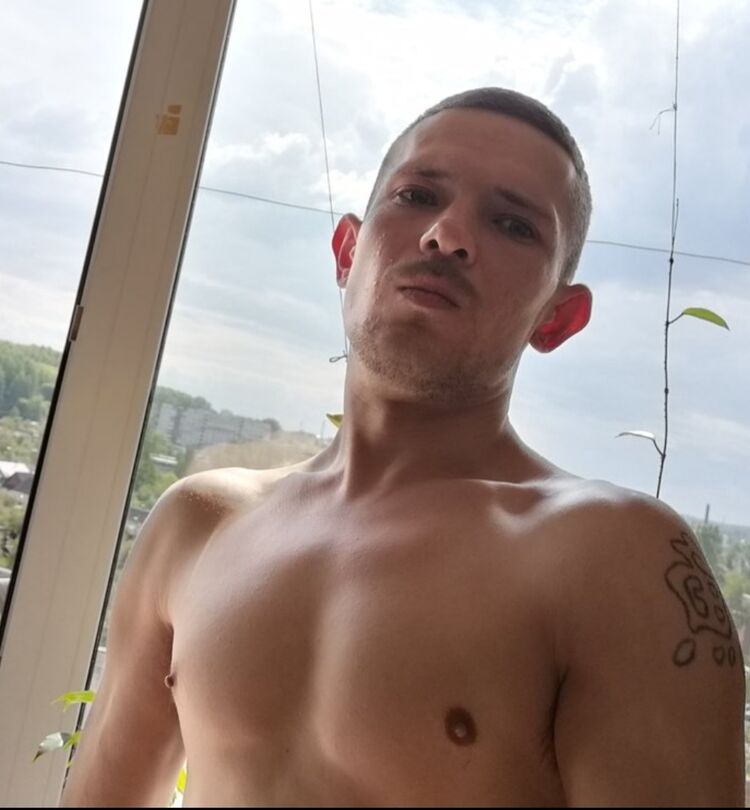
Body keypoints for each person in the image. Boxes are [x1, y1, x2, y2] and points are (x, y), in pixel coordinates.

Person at [60, 87, 745, 807]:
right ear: (347, 252)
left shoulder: (613, 561)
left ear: (558, 318)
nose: (448, 236)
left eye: (512, 224)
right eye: (417, 196)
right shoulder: (196, 525)